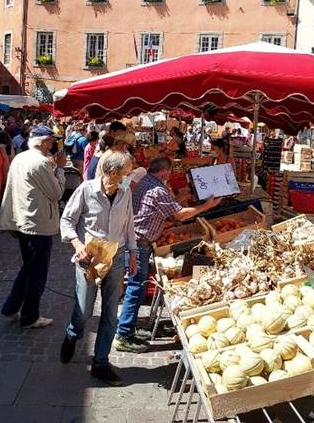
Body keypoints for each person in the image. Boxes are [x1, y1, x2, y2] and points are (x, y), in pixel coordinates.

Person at [115, 157, 221, 351]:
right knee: (135, 287)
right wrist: (208, 206)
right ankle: (123, 335)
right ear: (164, 172)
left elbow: (169, 207)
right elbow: (178, 215)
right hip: (139, 243)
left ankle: (128, 328)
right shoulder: (157, 189)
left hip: (136, 240)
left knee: (137, 285)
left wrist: (184, 197)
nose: (169, 177)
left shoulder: (145, 182)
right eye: (169, 174)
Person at [59, 152, 137, 386]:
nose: (130, 176)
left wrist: (132, 253)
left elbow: (129, 223)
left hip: (117, 253)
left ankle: (101, 362)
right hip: (90, 255)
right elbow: (67, 220)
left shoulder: (126, 192)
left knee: (111, 312)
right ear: (113, 173)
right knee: (83, 310)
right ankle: (73, 333)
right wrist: (77, 245)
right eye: (127, 173)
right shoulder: (86, 190)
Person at [0, 125, 66, 329]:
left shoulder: (21, 158)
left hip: (22, 219)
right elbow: (56, 193)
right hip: (38, 223)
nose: (54, 144)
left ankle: (11, 306)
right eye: (52, 141)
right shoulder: (40, 163)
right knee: (37, 271)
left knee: (28, 267)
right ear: (44, 141)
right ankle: (30, 315)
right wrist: (60, 169)